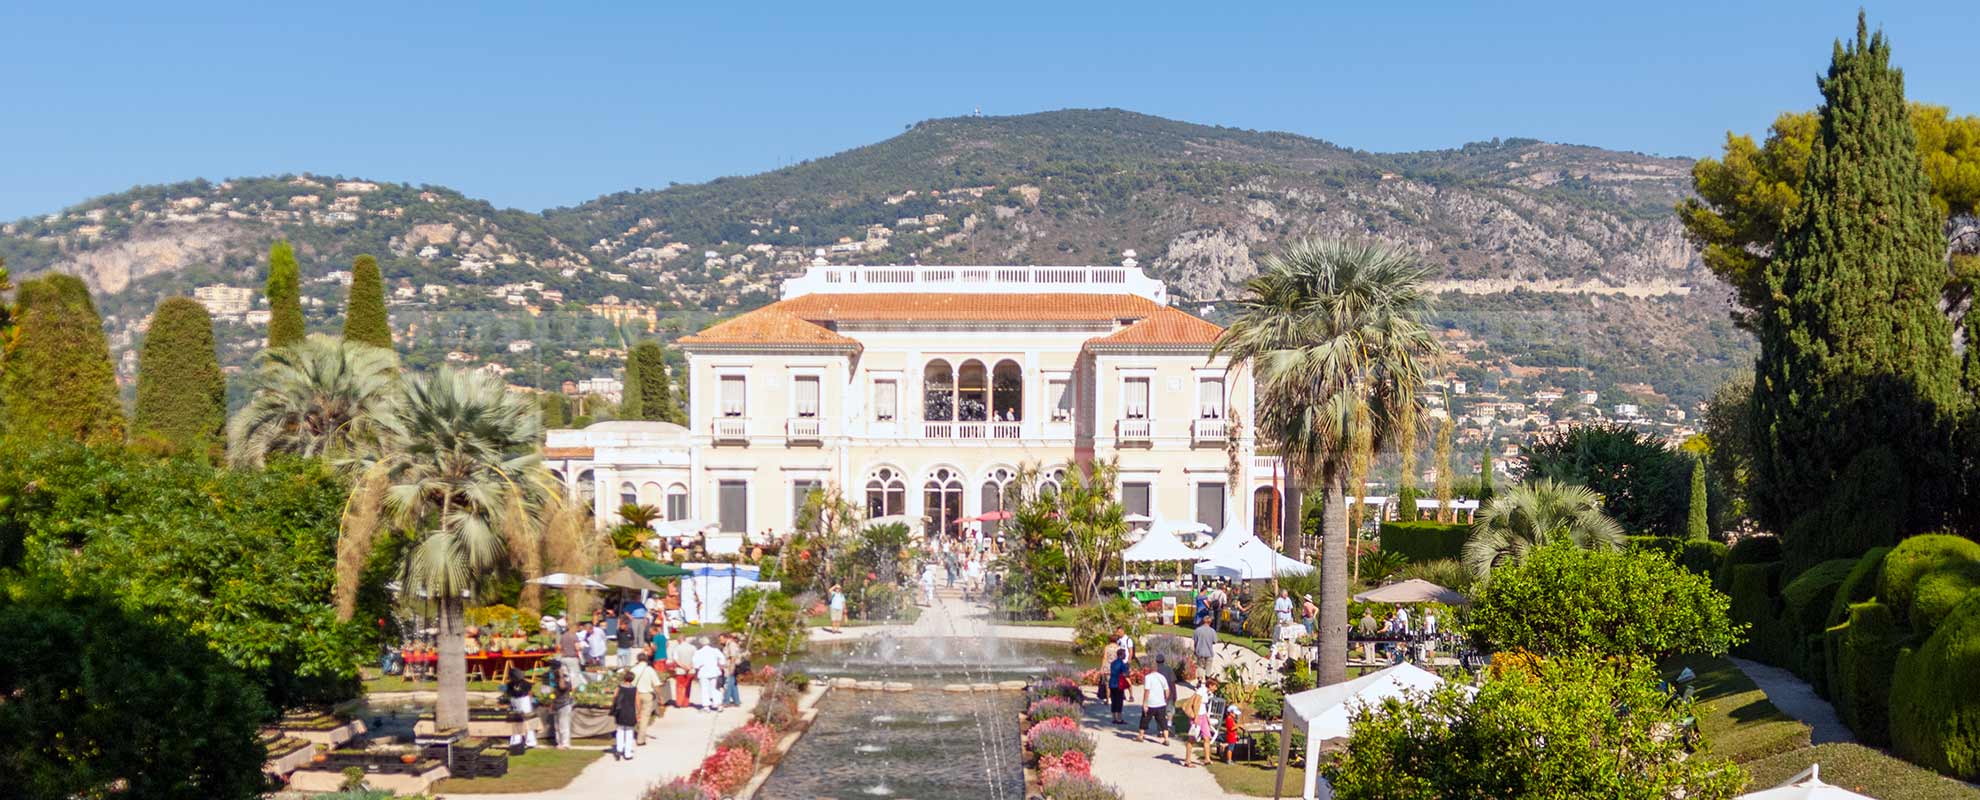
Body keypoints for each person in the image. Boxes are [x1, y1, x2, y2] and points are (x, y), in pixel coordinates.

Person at [1136, 660, 1172, 745]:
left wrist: (1145, 703)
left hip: (1151, 703)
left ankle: (1141, 736)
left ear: (1150, 669)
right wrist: (1165, 699)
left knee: (1145, 719)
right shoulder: (1162, 677)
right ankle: (1166, 738)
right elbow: (1167, 690)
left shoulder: (1148, 677)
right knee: (1162, 720)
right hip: (1161, 703)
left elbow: (1147, 691)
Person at [630, 653, 662, 745]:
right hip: (647, 694)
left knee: (636, 714)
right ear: (646, 660)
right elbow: (656, 684)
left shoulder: (633, 669)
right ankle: (640, 739)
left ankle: (631, 732)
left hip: (635, 694)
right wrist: (660, 697)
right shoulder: (650, 670)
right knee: (645, 717)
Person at [504, 666, 537, 748]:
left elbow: (529, 693)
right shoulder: (509, 685)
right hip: (515, 701)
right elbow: (508, 694)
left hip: (525, 701)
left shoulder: (526, 684)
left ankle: (531, 741)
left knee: (528, 721)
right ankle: (516, 741)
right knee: (516, 721)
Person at [1181, 685, 1213, 767]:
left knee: (1207, 737)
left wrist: (1206, 717)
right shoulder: (1201, 691)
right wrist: (1196, 717)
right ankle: (1187, 761)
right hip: (1197, 716)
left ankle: (1207, 759)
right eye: (1215, 686)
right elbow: (1196, 704)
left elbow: (1203, 706)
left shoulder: (1207, 693)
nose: (1216, 688)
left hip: (1203, 716)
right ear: (1211, 685)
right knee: (1192, 738)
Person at [610, 671, 639, 760]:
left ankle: (619, 749)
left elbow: (614, 696)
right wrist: (639, 712)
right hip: (630, 711)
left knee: (620, 730)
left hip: (620, 710)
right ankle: (627, 753)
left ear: (624, 678)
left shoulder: (619, 687)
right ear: (632, 679)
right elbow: (637, 701)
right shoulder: (634, 689)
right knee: (629, 732)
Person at [547, 659, 574, 749]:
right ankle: (559, 743)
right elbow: (553, 692)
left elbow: (562, 687)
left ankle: (565, 744)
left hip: (564, 704)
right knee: (557, 726)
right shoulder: (554, 678)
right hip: (557, 704)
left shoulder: (565, 678)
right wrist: (551, 704)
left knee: (564, 725)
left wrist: (561, 675)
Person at [692, 637, 726, 711]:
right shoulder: (715, 650)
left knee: (704, 689)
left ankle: (706, 706)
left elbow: (696, 664)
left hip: (703, 672)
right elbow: (722, 659)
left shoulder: (698, 652)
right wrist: (720, 665)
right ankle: (718, 704)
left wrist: (698, 667)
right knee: (715, 688)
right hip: (714, 671)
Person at [557, 621, 586, 689]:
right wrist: (582, 646)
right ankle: (574, 691)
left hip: (563, 658)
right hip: (572, 658)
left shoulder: (563, 636)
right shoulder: (574, 636)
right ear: (574, 628)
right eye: (577, 628)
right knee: (574, 676)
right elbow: (577, 647)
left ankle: (567, 689)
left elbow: (559, 647)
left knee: (567, 676)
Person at [670, 633, 696, 707]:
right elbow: (695, 659)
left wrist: (683, 666)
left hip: (680, 670)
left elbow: (676, 659)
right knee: (688, 686)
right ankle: (685, 702)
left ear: (679, 640)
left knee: (680, 686)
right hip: (690, 670)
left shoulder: (677, 648)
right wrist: (690, 666)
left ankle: (679, 702)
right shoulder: (693, 647)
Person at [720, 633, 746, 707]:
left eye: (721, 639)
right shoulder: (728, 645)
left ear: (726, 638)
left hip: (730, 667)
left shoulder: (731, 645)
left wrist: (731, 668)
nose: (720, 641)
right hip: (729, 667)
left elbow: (733, 657)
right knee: (733, 684)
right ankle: (736, 701)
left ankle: (726, 701)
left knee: (728, 684)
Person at [1107, 648, 1130, 724]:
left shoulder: (1113, 663)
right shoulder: (1122, 663)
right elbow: (1125, 674)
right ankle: (1119, 718)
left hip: (1112, 683)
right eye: (1124, 654)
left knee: (1113, 700)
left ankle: (1114, 717)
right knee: (1119, 701)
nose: (1125, 655)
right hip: (1118, 684)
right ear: (1122, 655)